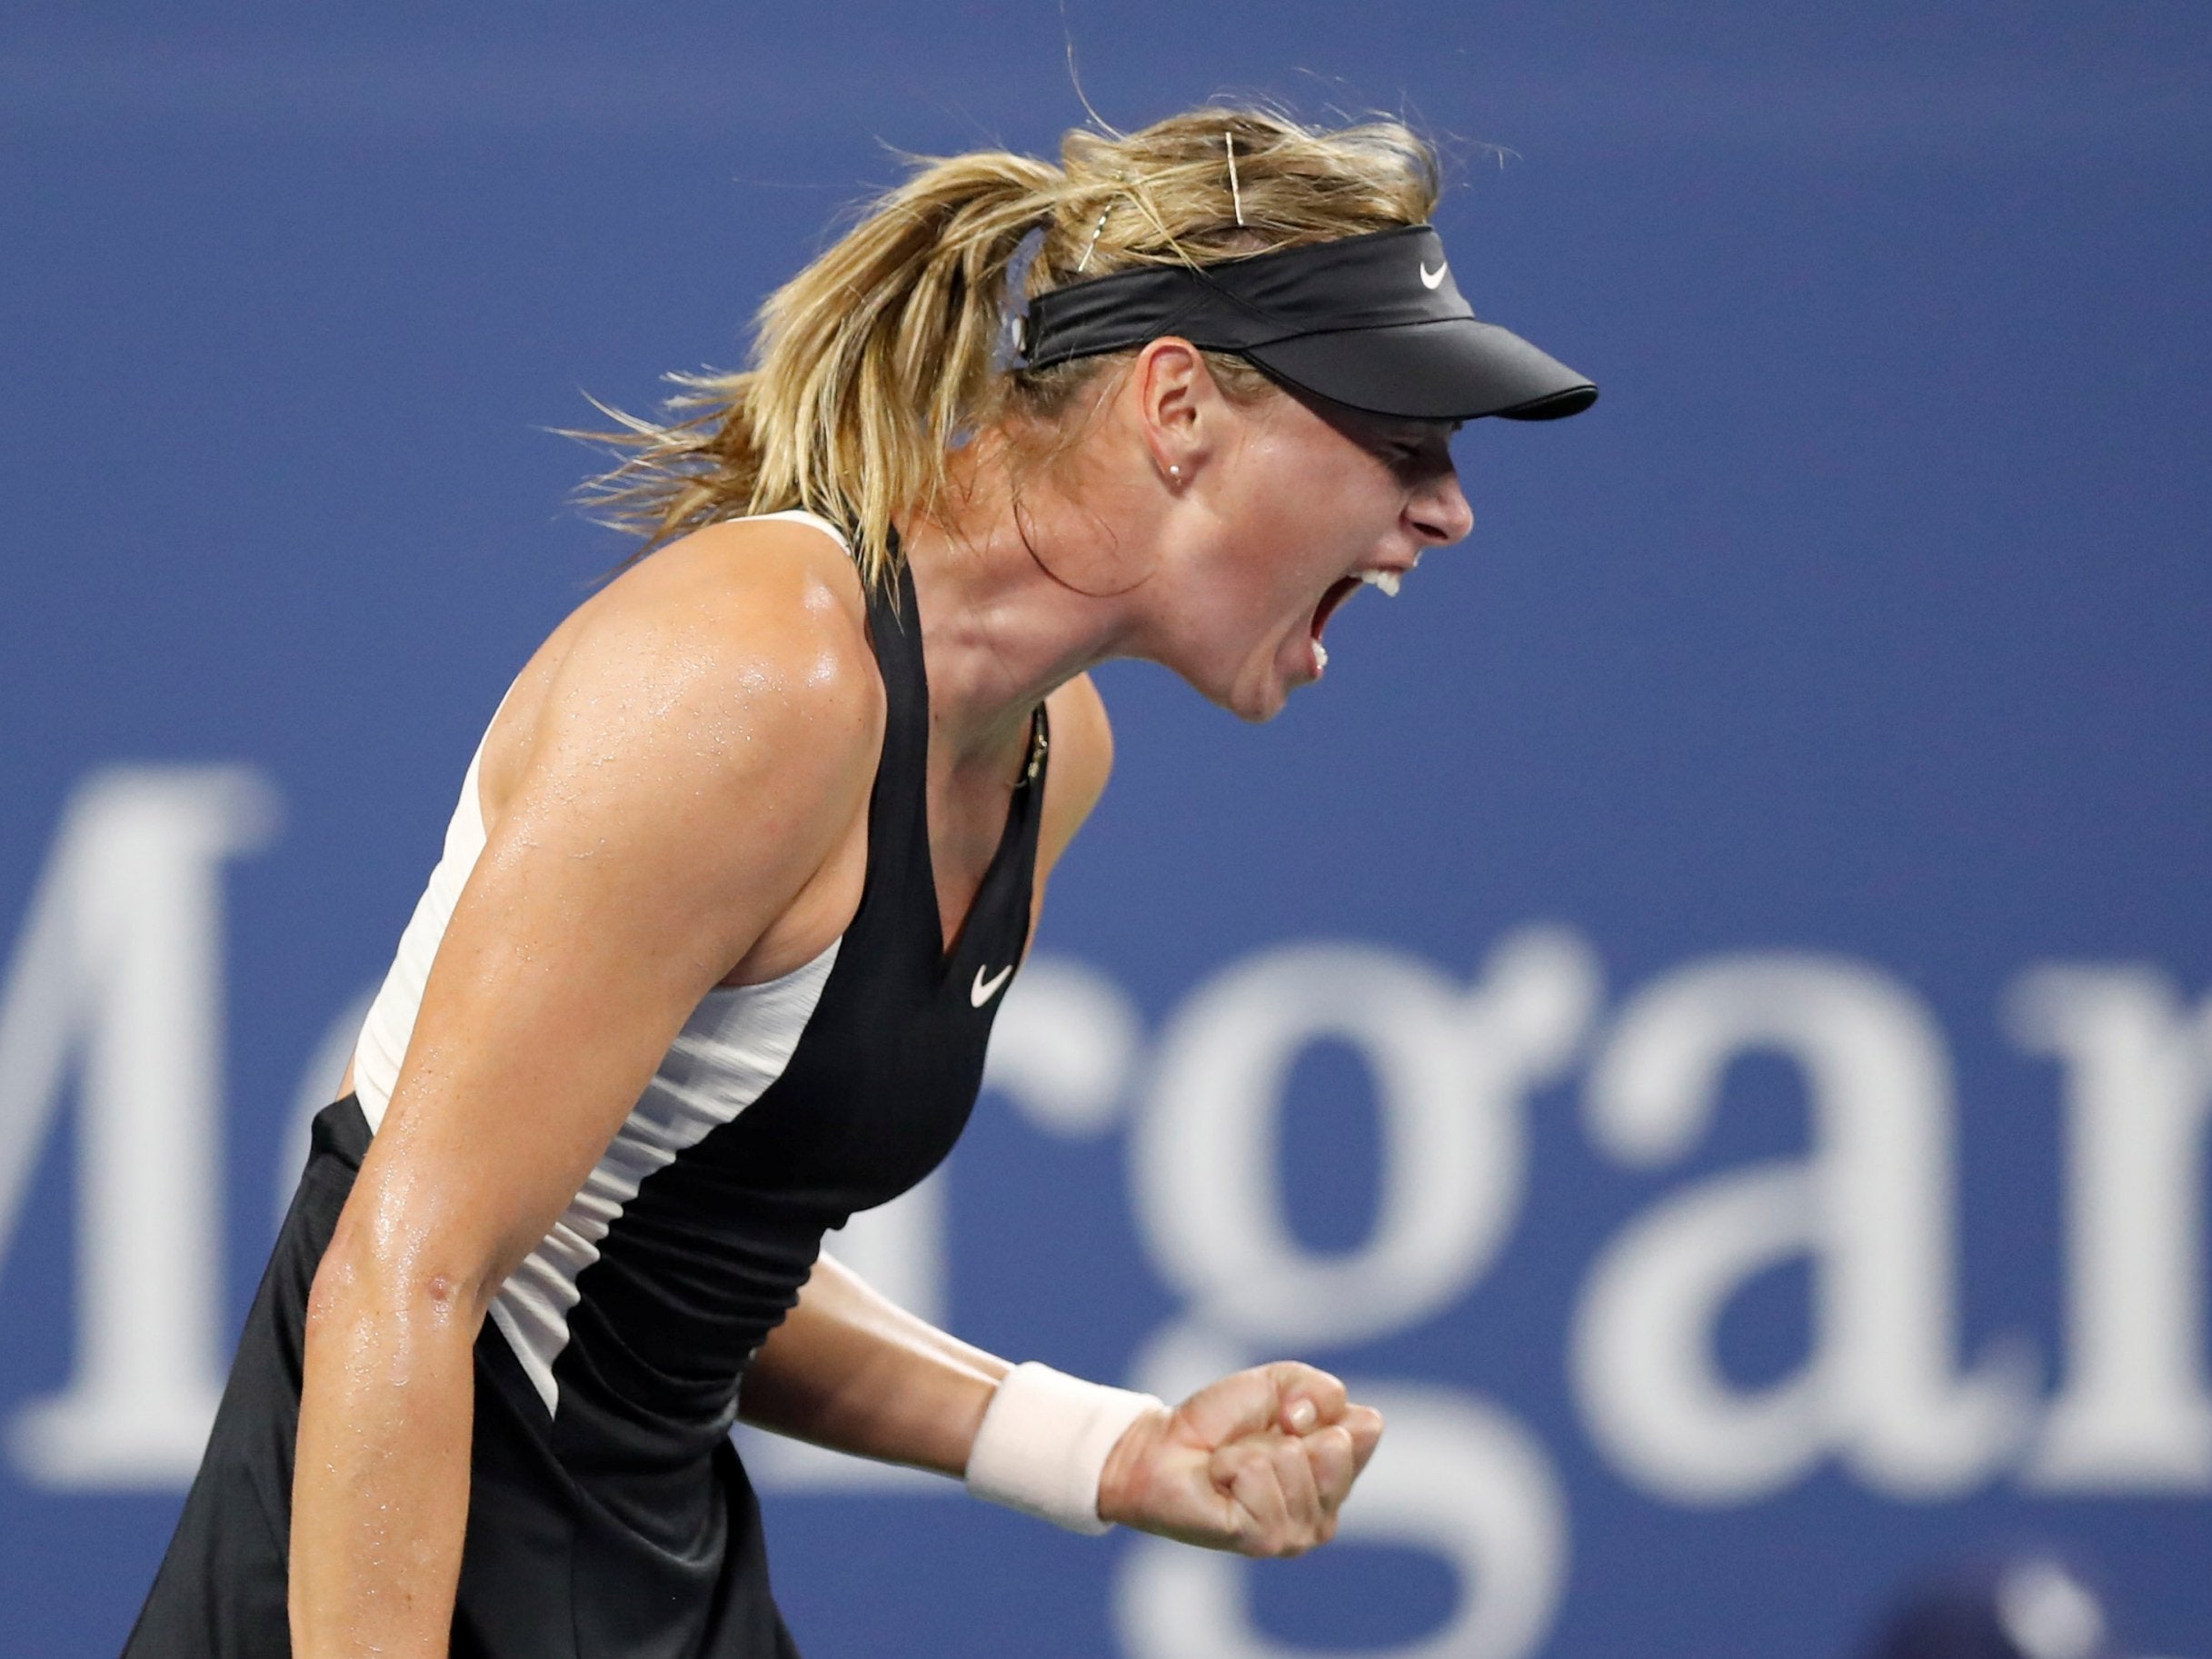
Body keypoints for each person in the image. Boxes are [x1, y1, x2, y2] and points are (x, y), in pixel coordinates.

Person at [124, 104, 1595, 1658]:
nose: (1447, 506)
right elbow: (402, 1278)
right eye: (1401, 439)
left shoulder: (1052, 748)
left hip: (658, 1579)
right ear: (1177, 406)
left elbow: (672, 1263)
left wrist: (1106, 1448)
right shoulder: (756, 675)